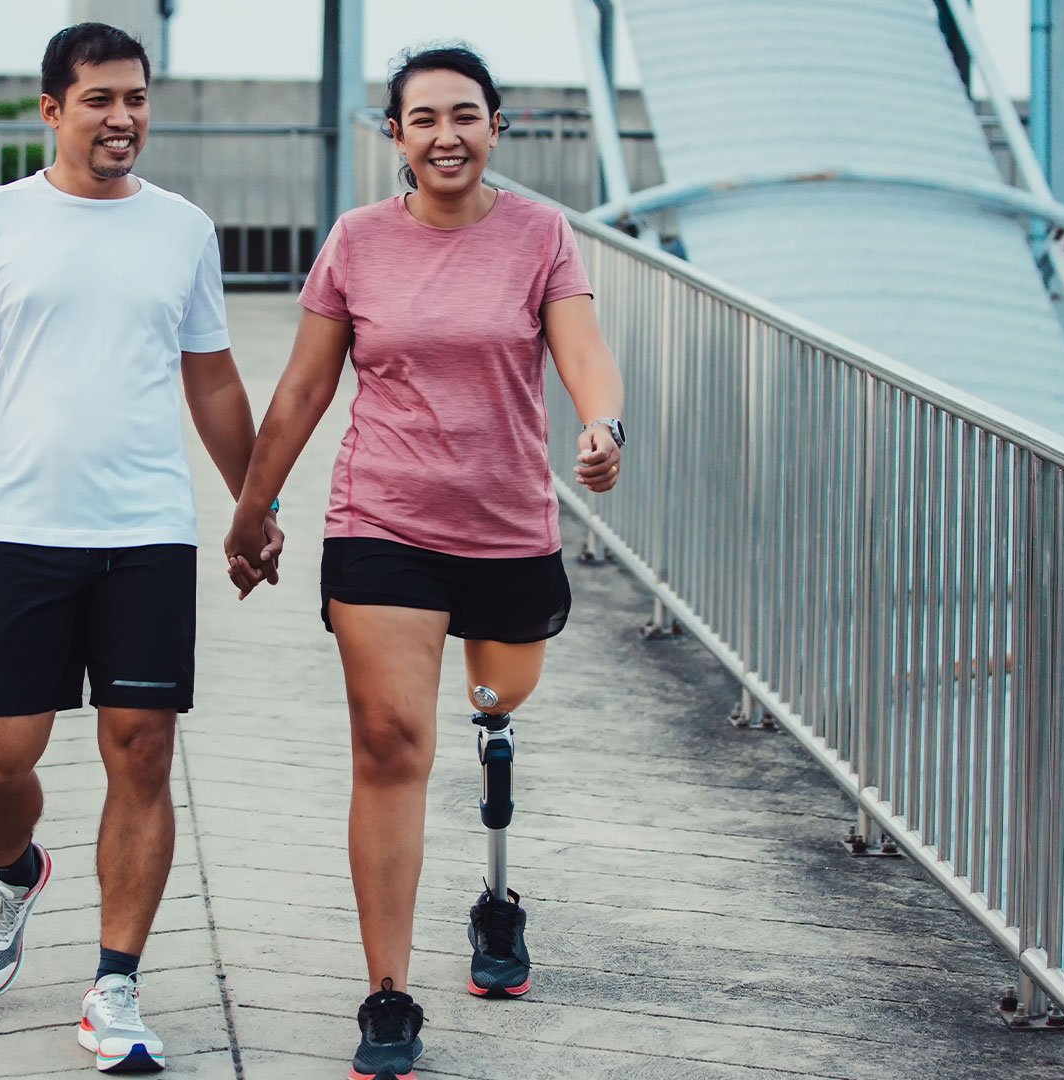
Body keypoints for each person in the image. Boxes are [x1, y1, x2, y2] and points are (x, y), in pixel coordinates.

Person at [221, 44, 626, 1080]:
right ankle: (389, 994)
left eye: (466, 115)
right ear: (395, 136)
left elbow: (580, 347)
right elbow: (306, 391)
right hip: (381, 521)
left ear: (497, 126)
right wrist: (254, 506)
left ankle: (495, 900)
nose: (447, 134)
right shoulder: (356, 243)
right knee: (391, 741)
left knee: (497, 698)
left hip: (507, 529)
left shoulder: (540, 234)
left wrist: (603, 424)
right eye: (424, 118)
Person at [0, 22, 279, 1075]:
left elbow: (210, 377)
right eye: (101, 99)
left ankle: (114, 985)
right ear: (53, 110)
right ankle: (17, 871)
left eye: (137, 99)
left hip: (148, 533)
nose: (123, 118)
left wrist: (253, 505)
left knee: (141, 751)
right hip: (24, 529)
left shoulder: (184, 230)